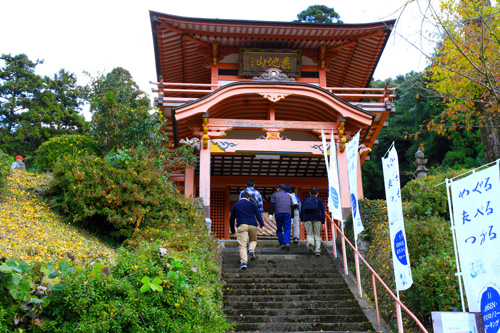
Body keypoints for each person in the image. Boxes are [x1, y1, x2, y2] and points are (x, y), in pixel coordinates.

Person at [230, 192, 265, 270]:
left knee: (242, 245)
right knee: (253, 240)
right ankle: (251, 249)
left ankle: (244, 262)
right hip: (253, 225)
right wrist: (262, 225)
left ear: (240, 198)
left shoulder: (236, 205)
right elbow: (258, 215)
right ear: (248, 198)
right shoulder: (252, 204)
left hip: (242, 225)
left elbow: (231, 219)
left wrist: (233, 231)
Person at [300, 187, 325, 256]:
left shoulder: (305, 200)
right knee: (317, 234)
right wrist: (323, 222)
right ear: (318, 193)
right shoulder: (319, 200)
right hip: (317, 218)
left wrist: (302, 220)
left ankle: (310, 243)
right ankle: (317, 250)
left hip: (307, 218)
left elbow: (302, 211)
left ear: (310, 193)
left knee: (309, 234)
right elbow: (323, 211)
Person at [269, 184, 294, 251]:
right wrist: (292, 217)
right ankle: (287, 243)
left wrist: (270, 214)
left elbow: (272, 205)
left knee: (279, 229)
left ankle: (282, 243)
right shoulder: (289, 196)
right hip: (288, 213)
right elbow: (292, 207)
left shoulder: (274, 195)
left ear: (278, 189)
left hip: (278, 213)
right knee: (287, 229)